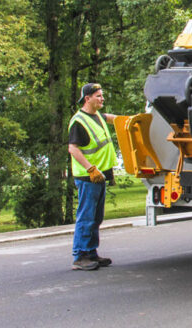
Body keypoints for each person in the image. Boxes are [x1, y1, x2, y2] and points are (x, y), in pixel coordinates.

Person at [68, 83, 118, 271]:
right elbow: (73, 148)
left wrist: (133, 120)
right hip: (88, 176)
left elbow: (112, 118)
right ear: (87, 98)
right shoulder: (79, 121)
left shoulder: (97, 116)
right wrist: (90, 169)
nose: (102, 98)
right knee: (86, 216)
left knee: (96, 217)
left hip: (100, 175)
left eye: (102, 95)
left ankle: (91, 253)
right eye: (98, 96)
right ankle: (80, 256)